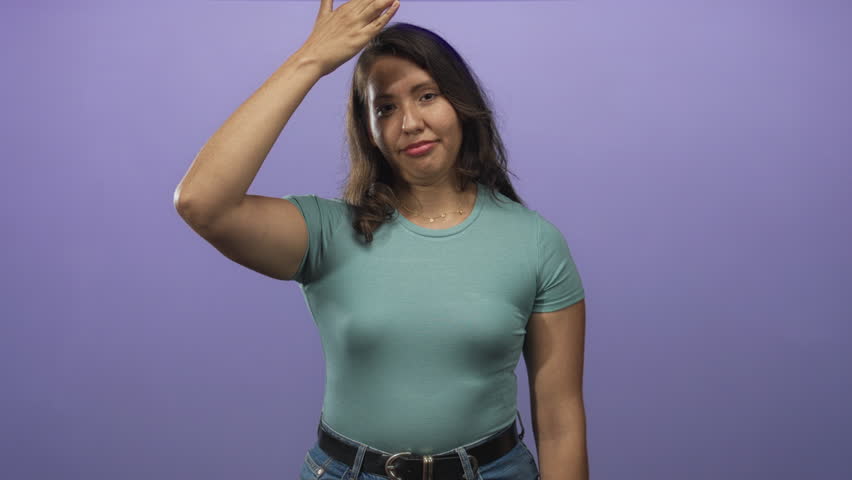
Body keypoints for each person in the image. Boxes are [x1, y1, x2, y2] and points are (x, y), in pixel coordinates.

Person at [174, 0, 588, 479]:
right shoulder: (328, 234)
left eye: (427, 95)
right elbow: (201, 202)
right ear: (368, 130)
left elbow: (560, 423)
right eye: (385, 107)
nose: (410, 122)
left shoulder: (535, 242)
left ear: (462, 103)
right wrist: (312, 58)